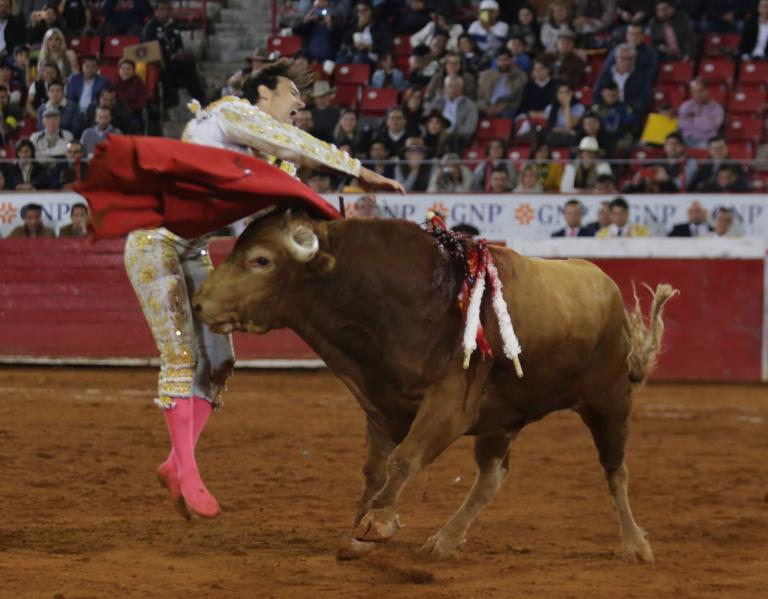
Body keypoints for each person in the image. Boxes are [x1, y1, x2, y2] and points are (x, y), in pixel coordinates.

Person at [124, 60, 403, 520]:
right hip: (152, 240)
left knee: (220, 360)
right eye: (292, 92)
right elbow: (294, 142)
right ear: (262, 93)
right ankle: (188, 474)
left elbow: (290, 220)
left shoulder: (271, 161)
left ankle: (176, 463)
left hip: (191, 249)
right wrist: (357, 170)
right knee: (180, 355)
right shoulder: (229, 113)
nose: (300, 102)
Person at [142, 0, 206, 108]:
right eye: (162, 9)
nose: (166, 12)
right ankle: (199, 100)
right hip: (159, 63)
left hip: (175, 63)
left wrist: (180, 52)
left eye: (168, 9)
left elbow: (179, 45)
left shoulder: (173, 26)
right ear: (156, 11)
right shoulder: (150, 27)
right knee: (187, 67)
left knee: (190, 63)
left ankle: (200, 100)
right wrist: (171, 56)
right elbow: (149, 50)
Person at [593, 43, 652, 119]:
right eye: (623, 59)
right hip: (606, 115)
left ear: (635, 59)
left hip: (629, 116)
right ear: (616, 58)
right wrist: (607, 115)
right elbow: (596, 98)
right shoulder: (605, 74)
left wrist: (622, 113)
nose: (627, 62)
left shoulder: (642, 76)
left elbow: (643, 101)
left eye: (630, 59)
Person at [426, 74, 479, 152]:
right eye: (450, 86)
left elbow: (469, 128)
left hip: (457, 137)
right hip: (436, 134)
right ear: (445, 88)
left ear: (462, 88)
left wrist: (450, 133)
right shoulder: (437, 101)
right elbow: (428, 119)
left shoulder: (470, 105)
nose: (454, 89)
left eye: (457, 86)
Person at [476, 47, 527, 118]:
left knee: (507, 115)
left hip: (507, 106)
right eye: (500, 60)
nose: (503, 63)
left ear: (511, 60)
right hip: (487, 105)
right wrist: (486, 107)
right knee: (475, 113)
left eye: (506, 59)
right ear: (496, 61)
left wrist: (508, 76)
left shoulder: (519, 75)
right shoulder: (487, 75)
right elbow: (480, 97)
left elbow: (513, 96)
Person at [676, 78, 724, 149]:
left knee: (704, 146)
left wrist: (694, 119)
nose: (697, 95)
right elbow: (682, 125)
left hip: (706, 140)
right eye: (694, 92)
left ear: (707, 91)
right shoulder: (686, 106)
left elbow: (709, 127)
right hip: (685, 139)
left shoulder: (716, 109)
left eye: (700, 91)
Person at [112, 59, 148, 128]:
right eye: (123, 69)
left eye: (129, 69)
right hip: (115, 112)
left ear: (134, 71)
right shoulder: (114, 82)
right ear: (119, 71)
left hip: (133, 113)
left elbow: (142, 102)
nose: (126, 71)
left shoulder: (138, 83)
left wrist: (126, 108)